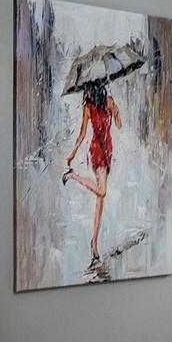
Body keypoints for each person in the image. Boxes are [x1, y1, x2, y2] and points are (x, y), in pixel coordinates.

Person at [63, 81, 122, 266]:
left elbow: (119, 125)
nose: (86, 94)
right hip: (96, 151)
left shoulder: (109, 102)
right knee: (102, 192)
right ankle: (73, 175)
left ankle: (94, 243)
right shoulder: (88, 108)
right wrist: (73, 153)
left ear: (95, 89)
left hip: (108, 150)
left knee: (99, 201)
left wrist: (117, 112)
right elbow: (82, 134)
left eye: (88, 90)